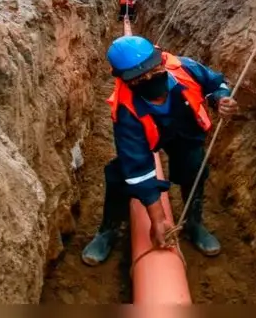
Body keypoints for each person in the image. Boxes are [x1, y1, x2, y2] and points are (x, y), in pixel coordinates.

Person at [81, 36, 239, 265]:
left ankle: (194, 223)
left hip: (183, 128)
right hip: (147, 133)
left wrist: (221, 99)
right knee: (120, 176)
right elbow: (137, 166)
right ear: (125, 80)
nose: (150, 78)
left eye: (154, 70)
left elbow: (215, 83)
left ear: (161, 60)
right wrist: (158, 218)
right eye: (140, 78)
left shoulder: (185, 68)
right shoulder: (126, 110)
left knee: (194, 166)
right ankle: (108, 231)